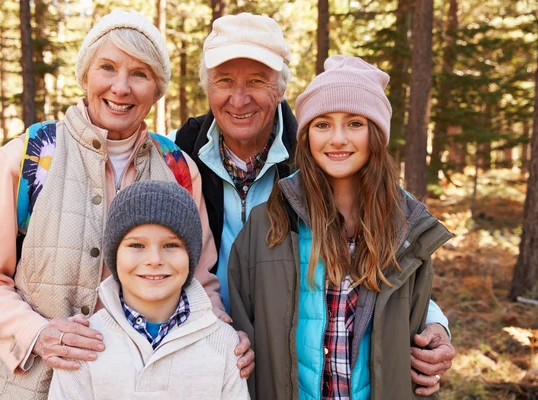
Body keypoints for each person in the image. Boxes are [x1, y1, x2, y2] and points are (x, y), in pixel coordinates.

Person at [0, 10, 252, 399]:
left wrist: (225, 338)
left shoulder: (177, 168)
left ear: (157, 89)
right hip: (26, 388)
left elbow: (199, 280)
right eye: (107, 68)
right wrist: (36, 333)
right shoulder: (28, 158)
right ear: (86, 75)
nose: (121, 88)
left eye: (140, 74)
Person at [172, 12, 455, 395]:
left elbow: (397, 265)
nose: (239, 99)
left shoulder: (312, 154)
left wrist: (434, 327)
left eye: (256, 81)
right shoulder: (178, 155)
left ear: (281, 88)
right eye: (224, 81)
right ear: (208, 88)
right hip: (214, 349)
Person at [229, 55, 453, 400]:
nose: (337, 139)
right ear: (305, 136)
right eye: (322, 125)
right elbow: (242, 335)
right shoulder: (268, 223)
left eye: (354, 123)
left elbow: (415, 328)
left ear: (376, 134)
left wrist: (437, 333)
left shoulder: (407, 229)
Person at [48, 181, 249, 399]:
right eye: (137, 246)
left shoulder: (224, 343)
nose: (154, 260)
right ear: (114, 255)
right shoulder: (83, 344)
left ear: (191, 257)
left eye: (171, 245)